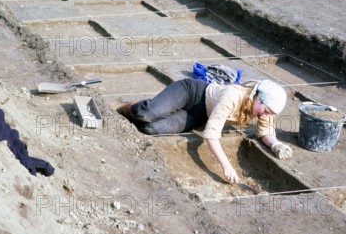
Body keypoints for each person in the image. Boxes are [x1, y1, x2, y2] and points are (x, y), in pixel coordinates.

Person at [114, 78, 293, 183]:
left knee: (151, 128)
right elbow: (211, 135)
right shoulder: (233, 96)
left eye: (269, 113)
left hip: (201, 114)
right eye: (266, 110)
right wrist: (227, 166)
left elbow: (265, 132)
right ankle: (127, 106)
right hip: (191, 92)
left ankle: (145, 111)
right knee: (147, 113)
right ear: (258, 98)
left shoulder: (264, 107)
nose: (266, 115)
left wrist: (276, 145)